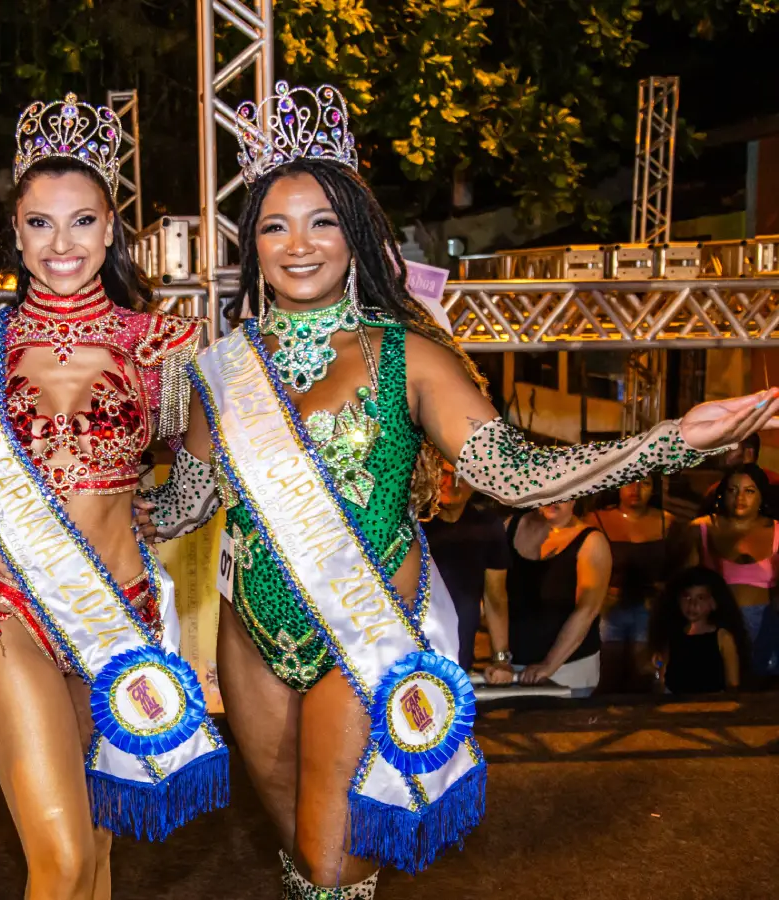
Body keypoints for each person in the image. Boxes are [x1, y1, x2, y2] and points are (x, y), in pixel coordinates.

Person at [134, 80, 779, 898]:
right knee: (300, 855)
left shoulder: (409, 356)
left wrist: (671, 438)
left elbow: (516, 471)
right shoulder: (219, 369)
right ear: (252, 245)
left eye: (322, 221)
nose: (299, 244)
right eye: (275, 224)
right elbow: (185, 503)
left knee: (335, 868)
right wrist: (83, 493)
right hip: (249, 636)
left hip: (361, 634)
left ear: (357, 233)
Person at [0, 94, 224, 900]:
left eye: (83, 222)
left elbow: (200, 479)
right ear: (16, 231)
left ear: (111, 227)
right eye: (39, 224)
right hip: (10, 612)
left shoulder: (162, 346)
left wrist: (155, 516)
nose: (61, 244)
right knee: (59, 860)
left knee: (98, 859)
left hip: (118, 612)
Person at [506, 500, 611, 694]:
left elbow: (587, 610)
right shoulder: (512, 525)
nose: (555, 499)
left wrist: (549, 664)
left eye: (565, 492)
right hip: (513, 665)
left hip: (569, 671)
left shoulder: (592, 541)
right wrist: (500, 657)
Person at [585, 478, 676, 692]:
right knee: (607, 671)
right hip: (608, 607)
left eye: (644, 484)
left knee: (643, 672)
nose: (635, 490)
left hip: (648, 608)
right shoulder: (596, 519)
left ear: (653, 489)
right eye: (629, 482)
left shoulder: (667, 522)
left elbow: (677, 567)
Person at [688, 464, 779, 676]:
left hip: (765, 623)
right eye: (732, 490)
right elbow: (687, 583)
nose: (740, 497)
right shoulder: (702, 527)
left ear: (761, 496)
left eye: (749, 490)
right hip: (717, 623)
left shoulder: (776, 530)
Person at [421, 462, 510, 676]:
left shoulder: (487, 525)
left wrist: (500, 659)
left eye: (462, 476)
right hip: (416, 651)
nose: (451, 483)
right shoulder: (414, 523)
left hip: (461, 655)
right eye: (445, 474)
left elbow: (495, 597)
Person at [649, 566, 746, 693]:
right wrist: (657, 667)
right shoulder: (673, 636)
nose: (693, 604)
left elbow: (733, 683)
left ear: (713, 603)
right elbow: (661, 675)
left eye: (700, 598)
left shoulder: (722, 637)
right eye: (687, 597)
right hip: (677, 705)